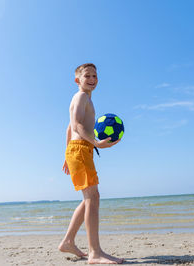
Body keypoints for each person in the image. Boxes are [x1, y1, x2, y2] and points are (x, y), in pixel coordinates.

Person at [58, 63, 123, 264]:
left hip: (78, 150)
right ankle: (95, 253)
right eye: (87, 75)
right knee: (92, 198)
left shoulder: (87, 99)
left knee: (90, 197)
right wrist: (96, 143)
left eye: (95, 75)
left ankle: (68, 241)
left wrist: (67, 155)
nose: (92, 78)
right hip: (81, 150)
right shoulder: (81, 97)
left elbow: (70, 128)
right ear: (78, 80)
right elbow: (77, 124)